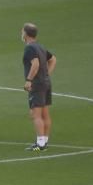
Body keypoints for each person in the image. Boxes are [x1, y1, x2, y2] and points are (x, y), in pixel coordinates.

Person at [21, 23, 56, 152]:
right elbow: (53, 60)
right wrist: (46, 75)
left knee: (36, 115)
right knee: (45, 114)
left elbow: (35, 64)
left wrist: (29, 80)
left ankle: (40, 143)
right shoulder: (40, 46)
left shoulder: (30, 48)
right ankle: (44, 141)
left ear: (25, 34)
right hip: (45, 83)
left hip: (37, 84)